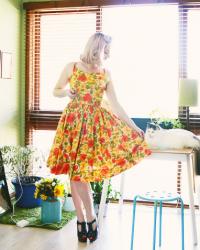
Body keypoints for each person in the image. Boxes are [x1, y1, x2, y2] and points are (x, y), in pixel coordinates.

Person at [47, 32, 151, 243]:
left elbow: (116, 105)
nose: (107, 54)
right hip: (73, 123)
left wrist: (133, 126)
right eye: (106, 49)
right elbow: (55, 91)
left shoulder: (106, 73)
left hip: (92, 128)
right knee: (74, 174)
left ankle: (90, 216)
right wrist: (66, 92)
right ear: (96, 48)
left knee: (81, 174)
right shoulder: (72, 67)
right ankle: (81, 219)